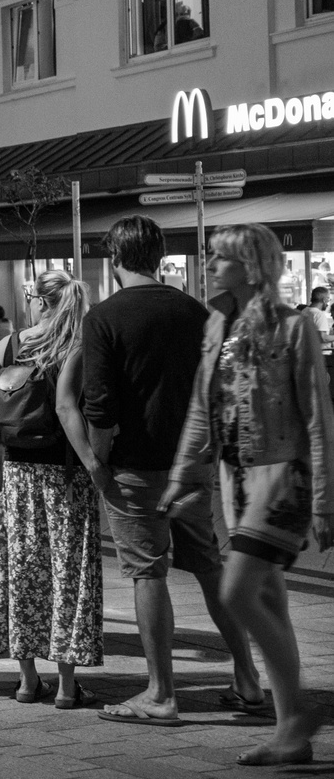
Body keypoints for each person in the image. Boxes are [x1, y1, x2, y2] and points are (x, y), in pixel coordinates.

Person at [163, 225, 334, 766]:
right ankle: (292, 735)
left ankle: (301, 711)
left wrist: (326, 501)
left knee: (237, 591)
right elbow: (199, 407)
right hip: (235, 479)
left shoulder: (294, 326)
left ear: (251, 265)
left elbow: (318, 419)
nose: (209, 264)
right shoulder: (218, 323)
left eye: (220, 258)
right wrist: (183, 475)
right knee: (270, 603)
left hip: (283, 477)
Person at [82, 216, 258, 725]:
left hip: (134, 466)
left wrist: (98, 462)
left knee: (146, 572)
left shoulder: (104, 317)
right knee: (208, 567)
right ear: (158, 257)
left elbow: (100, 405)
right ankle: (247, 678)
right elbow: (218, 390)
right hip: (192, 466)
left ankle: (161, 693)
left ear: (114, 259)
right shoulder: (196, 312)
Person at [0, 269, 102, 709]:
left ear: (39, 300)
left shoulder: (15, 342)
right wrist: (93, 464)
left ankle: (26, 680)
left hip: (18, 476)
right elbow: (67, 406)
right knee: (64, 574)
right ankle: (68, 686)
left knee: (22, 571)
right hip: (64, 475)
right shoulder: (73, 343)